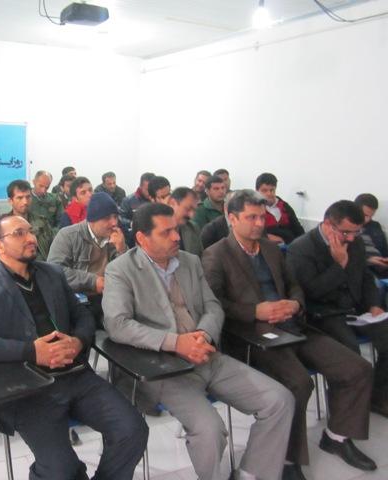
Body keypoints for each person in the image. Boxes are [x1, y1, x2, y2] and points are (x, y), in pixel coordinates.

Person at [102, 202, 294, 480]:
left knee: (280, 400)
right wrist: (175, 343)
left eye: (176, 230)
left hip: (206, 355)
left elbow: (212, 306)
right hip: (163, 368)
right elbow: (117, 325)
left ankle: (251, 474)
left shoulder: (190, 261)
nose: (176, 237)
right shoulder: (121, 270)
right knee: (210, 429)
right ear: (142, 238)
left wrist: (203, 335)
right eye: (166, 232)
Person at [0, 215, 148, 480]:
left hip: (75, 376)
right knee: (61, 469)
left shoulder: (52, 274)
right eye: (19, 233)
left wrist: (77, 341)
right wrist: (32, 351)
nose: (31, 238)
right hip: (27, 387)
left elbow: (82, 316)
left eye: (31, 231)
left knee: (132, 430)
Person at [203, 190, 375, 478]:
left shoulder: (270, 249)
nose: (260, 223)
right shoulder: (216, 254)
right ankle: (286, 458)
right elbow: (214, 302)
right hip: (253, 335)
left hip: (292, 324)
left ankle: (336, 437)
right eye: (251, 217)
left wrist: (295, 303)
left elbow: (294, 285)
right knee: (298, 383)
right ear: (232, 218)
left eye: (262, 217)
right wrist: (255, 311)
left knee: (357, 368)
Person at [287, 200, 388, 417]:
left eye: (356, 232)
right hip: (323, 314)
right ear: (327, 224)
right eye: (345, 232)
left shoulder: (355, 242)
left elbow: (365, 277)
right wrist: (339, 265)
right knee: (351, 355)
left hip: (356, 309)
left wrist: (374, 305)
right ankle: (346, 414)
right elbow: (310, 292)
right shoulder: (301, 248)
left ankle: (378, 397)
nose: (351, 238)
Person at [48, 192, 126, 327]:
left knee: (125, 323)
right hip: (78, 300)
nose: (114, 223)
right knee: (86, 327)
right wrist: (93, 281)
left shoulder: (115, 237)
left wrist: (122, 250)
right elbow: (54, 272)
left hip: (109, 297)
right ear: (92, 220)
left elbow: (127, 274)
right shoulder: (68, 236)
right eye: (107, 218)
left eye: (115, 217)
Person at [6, 180, 55, 260]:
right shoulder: (4, 225)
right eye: (20, 198)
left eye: (28, 197)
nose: (25, 202)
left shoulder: (42, 221)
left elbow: (53, 245)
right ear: (10, 201)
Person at [256, 173, 304, 244]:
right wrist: (265, 237)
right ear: (257, 191)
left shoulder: (284, 206)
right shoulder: (253, 208)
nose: (269, 194)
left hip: (290, 245)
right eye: (264, 190)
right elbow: (248, 231)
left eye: (272, 190)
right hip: (266, 246)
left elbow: (298, 229)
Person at [354, 193, 388, 277]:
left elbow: (384, 250)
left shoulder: (375, 226)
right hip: (361, 270)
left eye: (371, 216)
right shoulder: (345, 227)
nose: (367, 219)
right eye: (365, 215)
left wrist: (385, 260)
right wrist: (368, 260)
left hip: (382, 268)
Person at [168, 187, 203, 257]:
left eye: (194, 210)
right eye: (188, 209)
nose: (191, 215)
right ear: (172, 203)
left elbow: (201, 257)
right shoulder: (154, 229)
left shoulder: (193, 228)